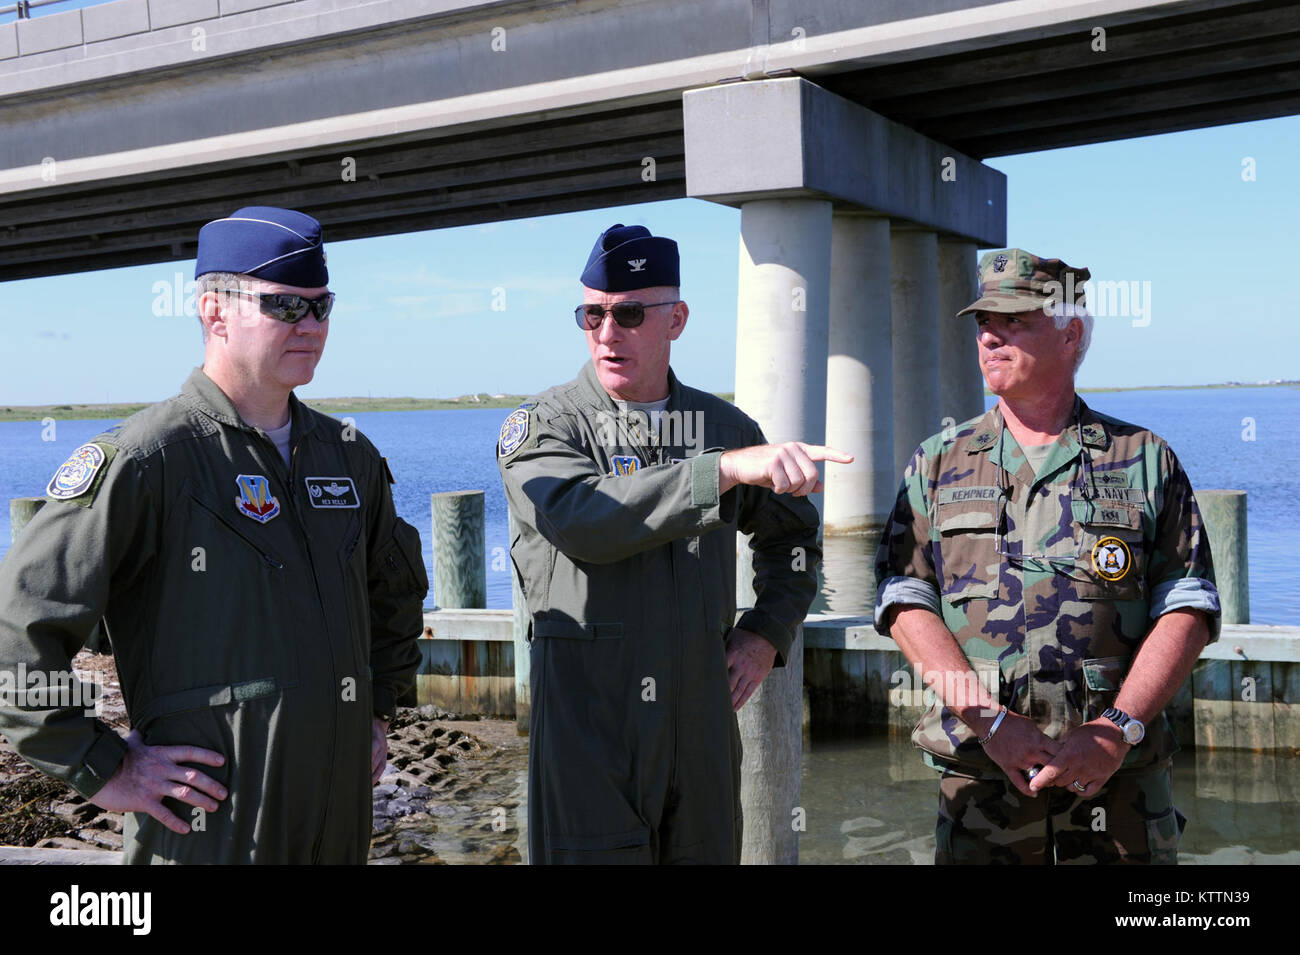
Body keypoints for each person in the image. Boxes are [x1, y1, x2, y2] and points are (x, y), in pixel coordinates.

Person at [0, 206, 427, 864]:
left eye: (322, 306)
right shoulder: (148, 460)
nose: (310, 327)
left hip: (337, 825)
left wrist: (376, 709)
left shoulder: (349, 457)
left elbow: (393, 591)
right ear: (214, 311)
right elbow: (19, 632)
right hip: (211, 830)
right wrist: (105, 766)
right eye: (285, 306)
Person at [497, 223, 849, 864]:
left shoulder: (721, 426)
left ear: (676, 319)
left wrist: (766, 630)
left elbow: (793, 539)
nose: (607, 333)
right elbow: (584, 520)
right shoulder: (546, 425)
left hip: (701, 729)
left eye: (629, 314)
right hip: (590, 729)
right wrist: (721, 471)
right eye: (592, 314)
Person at [874, 248, 1220, 865]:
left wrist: (1117, 729)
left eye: (1015, 320)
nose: (989, 334)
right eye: (984, 321)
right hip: (984, 790)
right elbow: (904, 600)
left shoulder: (1143, 458)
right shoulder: (937, 461)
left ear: (1071, 333)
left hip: (1120, 796)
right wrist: (990, 723)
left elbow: (1188, 605)